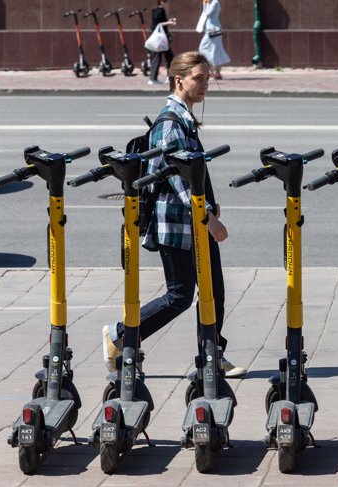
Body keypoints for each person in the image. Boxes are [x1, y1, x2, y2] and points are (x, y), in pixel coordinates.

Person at [104, 51, 246, 378]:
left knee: (214, 291)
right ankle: (120, 336)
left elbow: (193, 170)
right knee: (179, 296)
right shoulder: (169, 123)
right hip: (178, 224)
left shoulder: (184, 118)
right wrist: (208, 217)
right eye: (199, 78)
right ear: (179, 80)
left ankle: (211, 355)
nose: (205, 84)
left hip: (194, 220)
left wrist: (211, 204)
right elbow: (178, 179)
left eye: (208, 78)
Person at [197, 0, 231, 79]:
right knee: (216, 50)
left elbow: (207, 13)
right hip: (211, 29)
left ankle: (212, 70)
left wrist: (205, 5)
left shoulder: (214, 2)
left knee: (203, 48)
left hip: (213, 29)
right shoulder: (212, 3)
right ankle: (217, 73)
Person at [149, 0, 177, 85]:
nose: (167, 2)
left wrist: (169, 21)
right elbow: (157, 24)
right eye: (165, 1)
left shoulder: (157, 10)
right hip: (161, 39)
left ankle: (169, 77)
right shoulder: (160, 11)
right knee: (159, 58)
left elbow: (158, 23)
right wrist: (170, 22)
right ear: (161, 2)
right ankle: (153, 79)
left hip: (161, 38)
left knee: (168, 57)